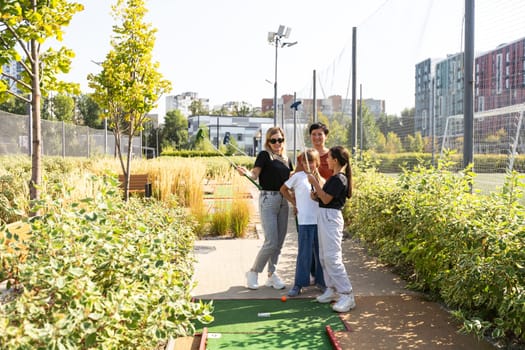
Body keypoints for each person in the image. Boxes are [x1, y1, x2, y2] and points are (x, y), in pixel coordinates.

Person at [237, 127, 293, 290]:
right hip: (268, 199)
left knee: (280, 242)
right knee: (271, 241)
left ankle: (271, 275)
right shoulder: (264, 155)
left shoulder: (287, 159)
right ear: (268, 142)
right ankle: (253, 272)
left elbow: (291, 180)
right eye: (273, 140)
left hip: (284, 200)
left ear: (283, 141)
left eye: (280, 140)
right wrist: (246, 173)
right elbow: (254, 175)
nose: (277, 143)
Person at [307, 145, 356, 313]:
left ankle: (347, 294)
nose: (326, 160)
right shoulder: (333, 178)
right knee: (323, 256)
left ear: (335, 160)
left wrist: (315, 184)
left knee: (332, 257)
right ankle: (332, 289)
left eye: (328, 157)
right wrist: (315, 195)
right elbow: (323, 198)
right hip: (324, 215)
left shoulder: (339, 179)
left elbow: (327, 199)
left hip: (331, 218)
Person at [280, 148, 326, 297]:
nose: (308, 165)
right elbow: (283, 189)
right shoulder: (298, 177)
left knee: (320, 254)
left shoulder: (320, 180)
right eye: (305, 162)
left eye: (311, 161)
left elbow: (323, 198)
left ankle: (321, 282)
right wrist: (294, 202)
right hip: (304, 221)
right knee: (304, 254)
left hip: (319, 221)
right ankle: (299, 284)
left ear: (317, 162)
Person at [295, 122, 331, 285]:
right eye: (314, 134)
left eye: (320, 134)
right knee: (307, 245)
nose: (317, 137)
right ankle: (307, 277)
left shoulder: (332, 155)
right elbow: (296, 178)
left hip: (327, 205)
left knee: (322, 246)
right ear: (310, 136)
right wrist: (296, 203)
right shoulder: (303, 156)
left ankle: (322, 280)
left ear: (325, 136)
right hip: (307, 209)